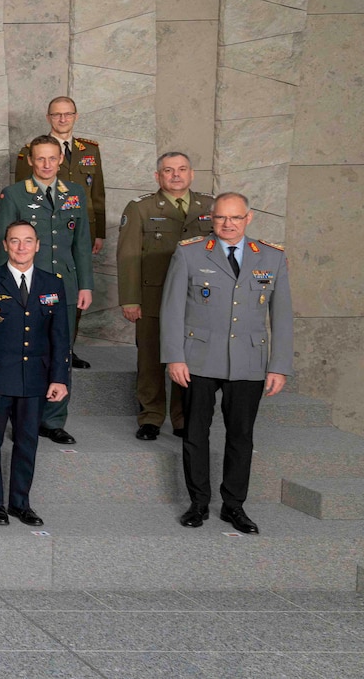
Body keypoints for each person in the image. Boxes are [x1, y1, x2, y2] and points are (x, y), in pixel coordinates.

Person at [163, 193, 291, 535]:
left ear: (248, 218)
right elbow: (172, 309)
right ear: (211, 218)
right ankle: (199, 502)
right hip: (198, 358)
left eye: (235, 218)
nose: (228, 224)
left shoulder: (271, 256)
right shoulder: (189, 252)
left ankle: (234, 505)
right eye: (221, 218)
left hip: (249, 359)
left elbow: (282, 315)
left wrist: (278, 365)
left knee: (241, 436)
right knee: (195, 433)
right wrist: (175, 356)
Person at [0, 221, 72, 527]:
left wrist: (59, 377)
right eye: (14, 241)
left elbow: (60, 336)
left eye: (27, 241)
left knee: (28, 442)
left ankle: (20, 502)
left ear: (38, 245)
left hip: (35, 378)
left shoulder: (53, 284)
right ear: (5, 245)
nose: (21, 247)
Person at [0, 137, 93, 445]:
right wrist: (0, 290)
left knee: (60, 353)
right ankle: (20, 415)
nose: (46, 164)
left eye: (52, 158)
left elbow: (82, 244)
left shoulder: (74, 193)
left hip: (64, 287)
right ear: (31, 161)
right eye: (40, 159)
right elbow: (0, 242)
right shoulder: (14, 194)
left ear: (60, 159)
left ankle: (53, 420)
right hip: (24, 287)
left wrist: (85, 284)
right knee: (21, 351)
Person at [116, 152, 215, 440]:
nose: (176, 175)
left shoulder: (210, 206)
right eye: (168, 170)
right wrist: (130, 299)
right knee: (151, 358)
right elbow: (129, 256)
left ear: (192, 174)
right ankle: (151, 417)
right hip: (153, 298)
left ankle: (182, 418)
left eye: (182, 169)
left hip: (199, 299)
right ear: (158, 176)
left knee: (191, 359)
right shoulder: (141, 208)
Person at [14, 96, 106, 369]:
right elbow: (23, 193)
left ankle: (68, 347)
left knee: (74, 286)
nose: (63, 119)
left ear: (76, 116)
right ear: (48, 117)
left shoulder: (89, 150)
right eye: (57, 115)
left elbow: (97, 193)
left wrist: (98, 230)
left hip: (78, 230)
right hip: (43, 231)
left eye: (68, 114)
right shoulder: (31, 150)